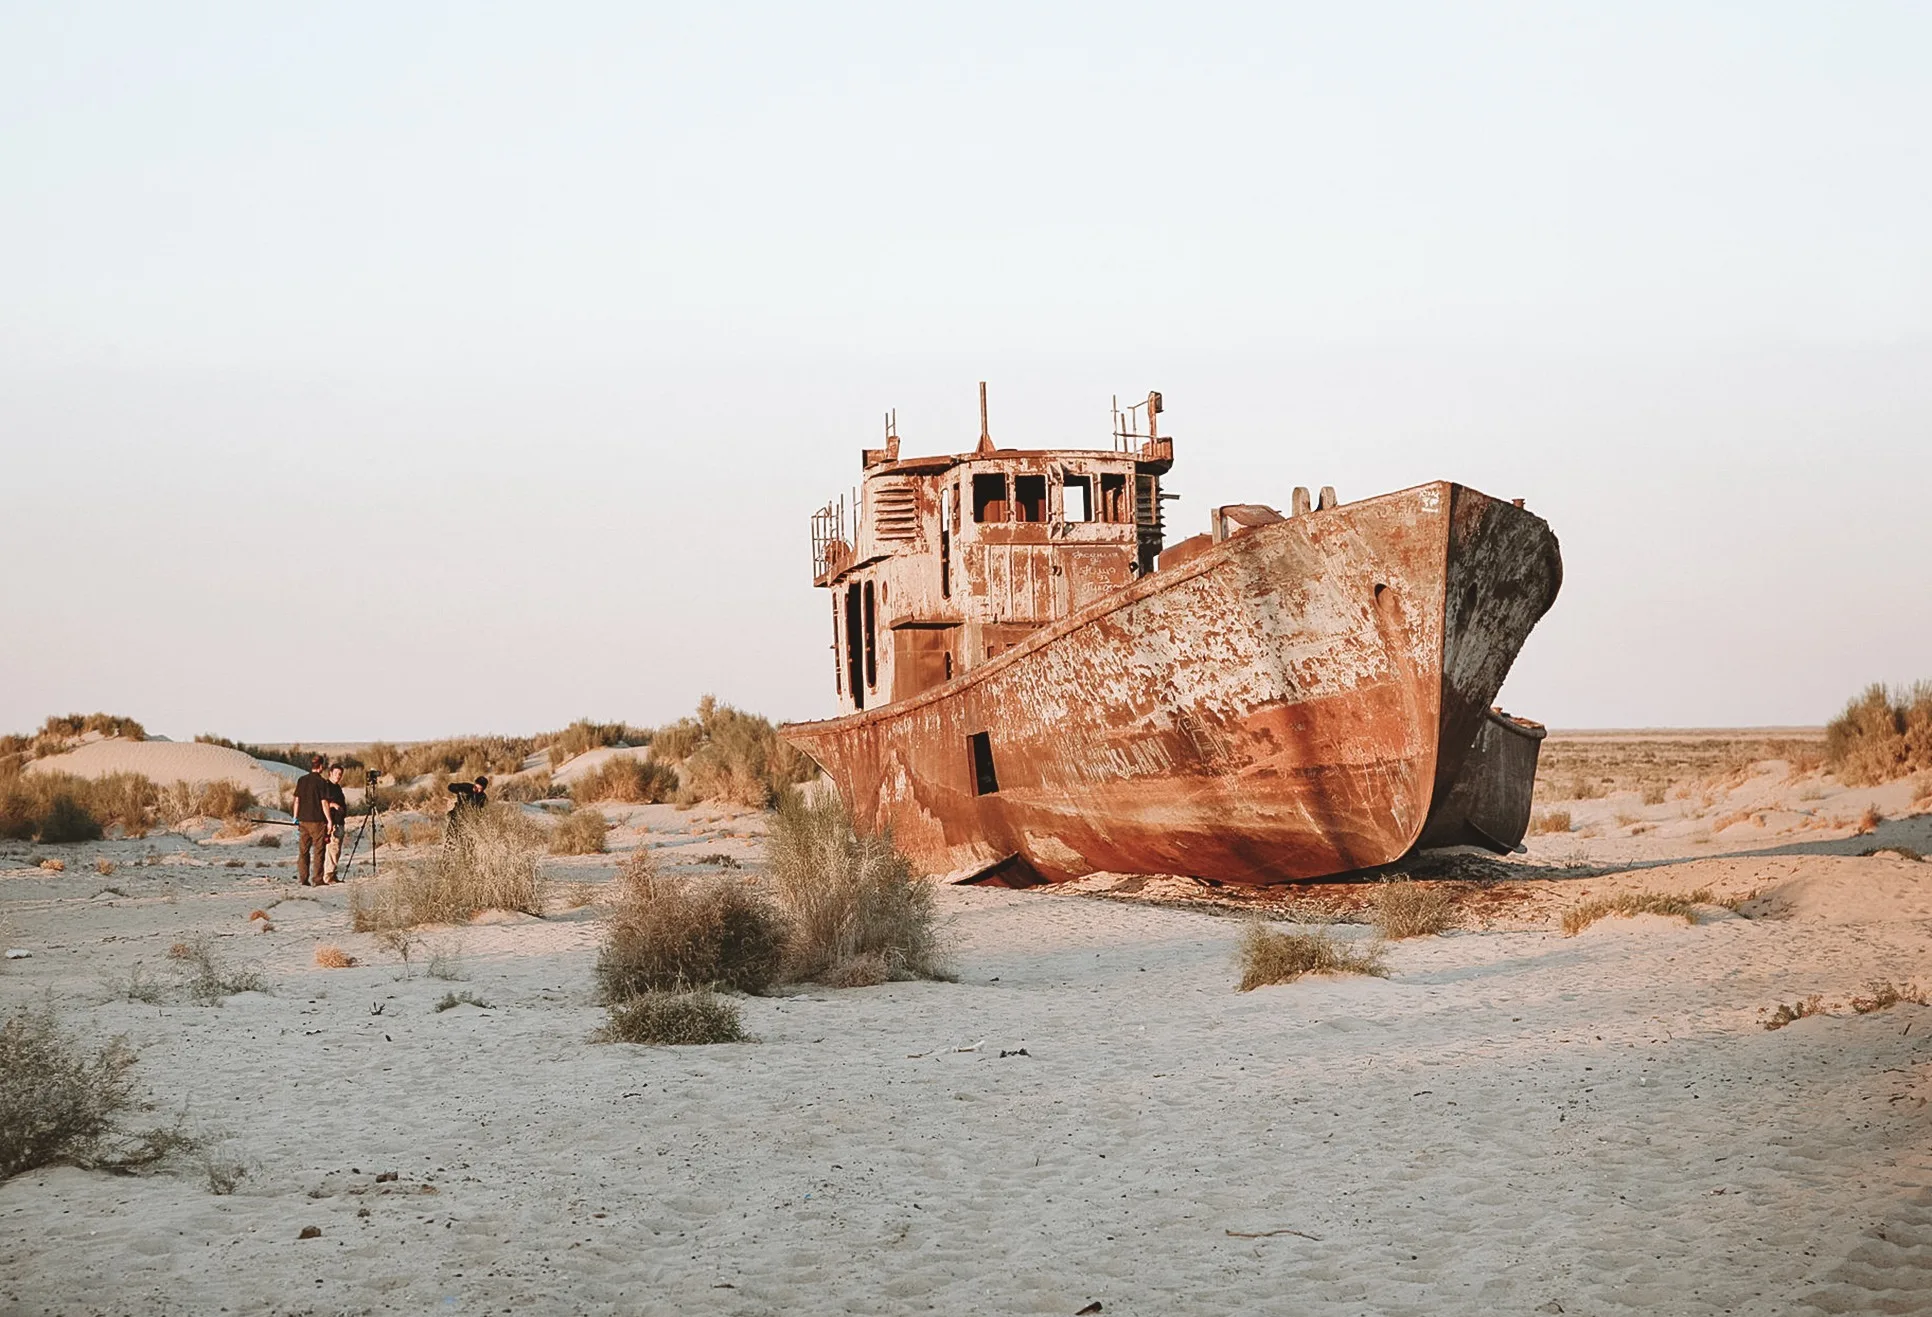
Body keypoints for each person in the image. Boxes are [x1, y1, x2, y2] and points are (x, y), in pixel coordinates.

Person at [291, 753, 331, 886]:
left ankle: (303, 879)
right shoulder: (322, 782)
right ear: (320, 767)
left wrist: (295, 817)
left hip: (303, 821)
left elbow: (296, 800)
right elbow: (324, 803)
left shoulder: (301, 780)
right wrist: (329, 820)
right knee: (319, 851)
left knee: (303, 851)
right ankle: (318, 879)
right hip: (317, 821)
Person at [320, 764, 348, 884]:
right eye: (336, 773)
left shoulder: (337, 787)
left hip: (340, 822)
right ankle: (328, 876)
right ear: (330, 773)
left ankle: (332, 874)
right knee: (332, 849)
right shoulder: (327, 786)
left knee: (336, 850)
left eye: (340, 774)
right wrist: (333, 805)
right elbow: (322, 802)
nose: (338, 776)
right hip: (332, 823)